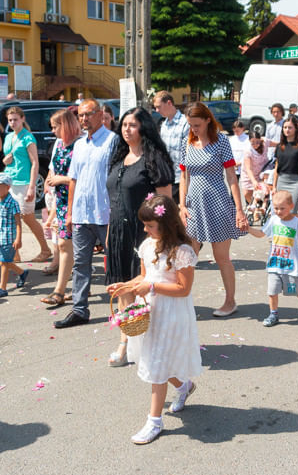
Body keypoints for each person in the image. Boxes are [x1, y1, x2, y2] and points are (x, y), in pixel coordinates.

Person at [106, 195, 202, 445]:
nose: (145, 229)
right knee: (157, 360)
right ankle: (184, 387)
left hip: (172, 313)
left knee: (157, 365)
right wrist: (125, 285)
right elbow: (144, 276)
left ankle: (154, 421)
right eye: (145, 225)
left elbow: (183, 289)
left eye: (150, 225)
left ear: (166, 223)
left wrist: (152, 286)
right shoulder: (148, 246)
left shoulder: (182, 251)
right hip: (152, 310)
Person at [105, 108, 174, 366]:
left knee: (144, 289)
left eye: (132, 125)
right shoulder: (118, 159)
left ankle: (149, 342)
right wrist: (110, 236)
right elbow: (114, 201)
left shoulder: (154, 161)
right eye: (124, 124)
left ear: (143, 128)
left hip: (144, 236)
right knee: (124, 288)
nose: (126, 129)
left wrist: (163, 239)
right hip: (118, 234)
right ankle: (127, 340)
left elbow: (165, 204)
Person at [179, 102, 249, 317]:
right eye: (191, 125)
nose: (194, 129)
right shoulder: (187, 143)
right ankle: (182, 301)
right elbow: (183, 176)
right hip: (193, 206)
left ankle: (230, 301)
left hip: (218, 202)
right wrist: (181, 205)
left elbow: (231, 177)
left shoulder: (221, 142)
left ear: (208, 120)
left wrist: (238, 209)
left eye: (197, 125)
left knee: (222, 257)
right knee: (188, 256)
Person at [54, 99, 118, 329]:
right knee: (80, 263)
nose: (84, 119)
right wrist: (70, 212)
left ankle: (123, 307)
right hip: (81, 213)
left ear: (101, 115)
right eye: (80, 115)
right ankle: (79, 309)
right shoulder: (80, 144)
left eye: (89, 114)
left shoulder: (113, 141)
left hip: (105, 213)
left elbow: (117, 178)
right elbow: (73, 180)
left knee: (115, 261)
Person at [247, 190, 298, 327]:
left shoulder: (296, 222)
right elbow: (261, 234)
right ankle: (273, 314)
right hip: (275, 262)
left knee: (294, 290)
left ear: (291, 206)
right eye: (276, 208)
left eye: (282, 208)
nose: (278, 211)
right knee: (272, 291)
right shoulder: (273, 220)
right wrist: (248, 228)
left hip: (291, 264)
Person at [41, 108, 81, 307]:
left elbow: (84, 177)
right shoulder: (59, 144)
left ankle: (64, 289)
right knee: (65, 245)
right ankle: (64, 289)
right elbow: (53, 168)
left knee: (74, 246)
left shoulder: (80, 145)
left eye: (56, 126)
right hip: (62, 200)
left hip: (78, 201)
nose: (53, 131)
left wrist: (61, 179)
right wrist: (51, 178)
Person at [2, 106, 51, 262]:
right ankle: (15, 253)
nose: (13, 123)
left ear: (22, 119)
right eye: (10, 120)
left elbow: (35, 163)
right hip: (9, 181)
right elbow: (6, 159)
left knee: (27, 217)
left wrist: (32, 187)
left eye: (15, 119)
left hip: (23, 183)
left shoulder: (28, 137)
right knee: (12, 217)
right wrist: (5, 160)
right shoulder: (9, 137)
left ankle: (45, 249)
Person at [0, 173, 29, 299]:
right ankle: (22, 272)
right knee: (5, 261)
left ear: (8, 188)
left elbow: (18, 223)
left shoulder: (12, 203)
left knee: (4, 262)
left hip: (9, 238)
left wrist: (18, 238)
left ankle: (2, 288)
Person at [154, 91, 189, 203]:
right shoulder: (164, 125)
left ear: (169, 103)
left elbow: (188, 152)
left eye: (159, 107)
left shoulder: (185, 123)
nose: (157, 111)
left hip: (181, 178)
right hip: (167, 177)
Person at [272, 114, 298, 211]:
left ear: (295, 129)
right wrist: (274, 186)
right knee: (279, 212)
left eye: (290, 127)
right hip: (281, 181)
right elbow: (276, 168)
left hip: (296, 182)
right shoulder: (280, 146)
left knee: (291, 212)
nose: (287, 130)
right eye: (285, 127)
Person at [240, 131, 269, 206]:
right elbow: (248, 168)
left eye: (257, 142)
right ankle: (254, 207)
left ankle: (260, 208)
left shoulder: (265, 143)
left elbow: (277, 144)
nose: (255, 144)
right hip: (248, 175)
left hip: (262, 173)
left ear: (260, 140)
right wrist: (254, 181)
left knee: (261, 193)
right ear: (249, 141)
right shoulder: (248, 150)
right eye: (253, 142)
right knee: (247, 194)